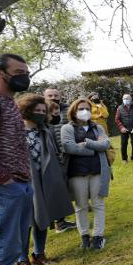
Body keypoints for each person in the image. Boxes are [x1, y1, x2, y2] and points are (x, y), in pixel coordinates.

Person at [0, 53, 47, 265]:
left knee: (11, 246)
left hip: (19, 185)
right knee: (4, 248)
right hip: (3, 188)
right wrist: (4, 178)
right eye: (19, 71)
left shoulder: (9, 102)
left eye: (27, 71)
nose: (25, 76)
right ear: (0, 73)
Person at [15, 94, 74, 265]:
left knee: (43, 218)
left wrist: (60, 174)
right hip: (23, 182)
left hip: (46, 181)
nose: (40, 113)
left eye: (43, 111)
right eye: (36, 110)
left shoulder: (45, 131)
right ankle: (22, 260)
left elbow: (55, 154)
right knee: (25, 223)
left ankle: (39, 254)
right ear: (26, 110)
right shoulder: (15, 132)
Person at [61, 98, 111, 250]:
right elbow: (70, 148)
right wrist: (94, 150)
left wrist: (88, 143)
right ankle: (84, 236)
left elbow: (106, 144)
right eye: (81, 109)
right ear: (74, 112)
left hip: (97, 171)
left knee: (98, 203)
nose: (85, 112)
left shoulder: (97, 128)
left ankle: (98, 236)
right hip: (77, 173)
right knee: (81, 205)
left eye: (87, 109)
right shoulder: (67, 128)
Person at [46, 100, 77, 234]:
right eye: (53, 113)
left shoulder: (49, 128)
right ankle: (57, 223)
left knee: (60, 192)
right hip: (50, 166)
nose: (56, 116)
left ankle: (60, 222)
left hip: (59, 160)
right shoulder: (44, 129)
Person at [115, 93, 133, 162]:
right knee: (124, 144)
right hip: (124, 129)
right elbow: (117, 119)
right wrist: (121, 127)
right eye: (124, 98)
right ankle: (124, 159)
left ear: (131, 99)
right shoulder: (119, 108)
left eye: (127, 98)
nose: (126, 100)